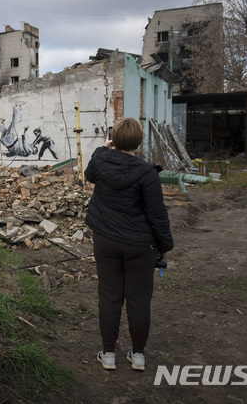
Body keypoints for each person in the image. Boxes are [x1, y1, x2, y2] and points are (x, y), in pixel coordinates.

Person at [84, 117, 174, 371]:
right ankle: (138, 356)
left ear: (114, 139)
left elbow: (89, 173)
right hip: (140, 246)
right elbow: (157, 215)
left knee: (109, 297)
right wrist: (164, 245)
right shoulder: (147, 173)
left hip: (106, 241)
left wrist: (104, 148)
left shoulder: (101, 161)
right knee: (138, 300)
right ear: (138, 141)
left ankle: (109, 354)